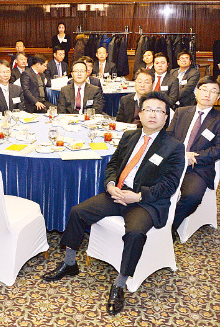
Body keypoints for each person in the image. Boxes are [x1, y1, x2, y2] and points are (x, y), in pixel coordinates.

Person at [42, 91, 185, 315]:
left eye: (159, 111)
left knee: (135, 233)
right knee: (78, 212)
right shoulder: (129, 136)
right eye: (148, 109)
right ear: (140, 113)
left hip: (145, 202)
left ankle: (119, 284)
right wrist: (110, 185)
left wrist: (137, 196)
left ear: (166, 117)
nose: (153, 115)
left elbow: (169, 185)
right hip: (117, 193)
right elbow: (114, 164)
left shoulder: (174, 147)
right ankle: (70, 262)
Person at [167, 76, 220, 232]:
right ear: (196, 91)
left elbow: (217, 149)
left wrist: (193, 157)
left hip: (198, 168)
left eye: (213, 91)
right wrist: (181, 155)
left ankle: (169, 228)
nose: (207, 94)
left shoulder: (218, 119)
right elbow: (168, 137)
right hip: (173, 161)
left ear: (218, 97)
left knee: (192, 197)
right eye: (204, 90)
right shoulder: (181, 112)